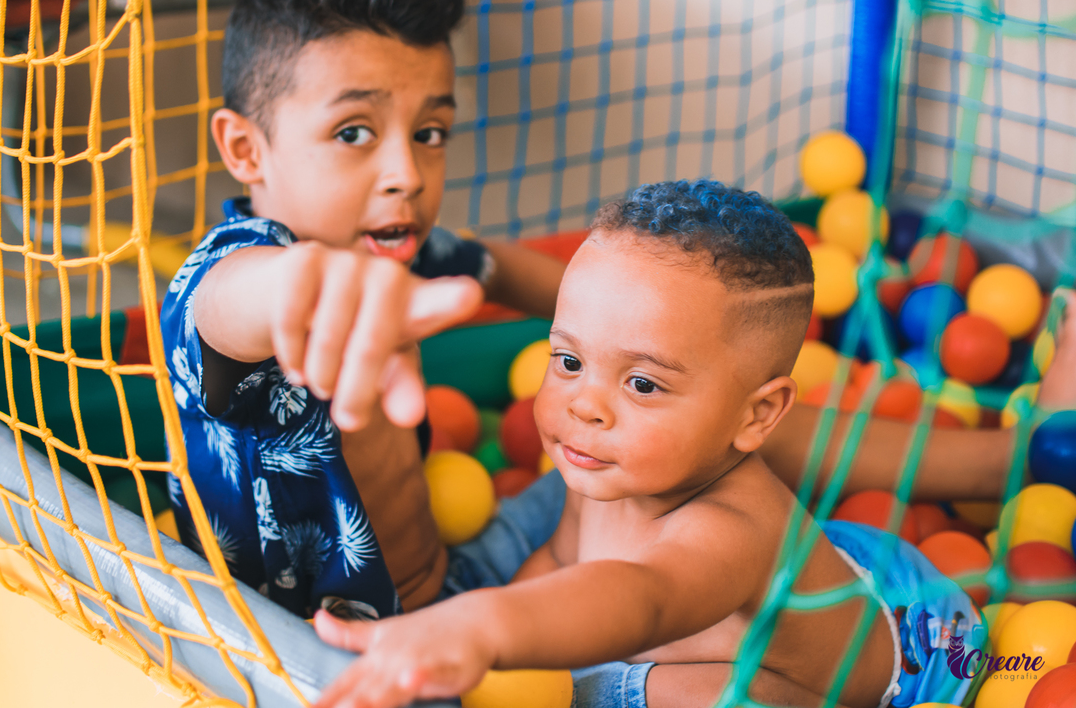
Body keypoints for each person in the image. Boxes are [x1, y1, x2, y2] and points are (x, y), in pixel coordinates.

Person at [311, 181, 988, 708]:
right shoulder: (601, 463)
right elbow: (558, 559)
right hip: (791, 588)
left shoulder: (732, 529)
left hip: (900, 654)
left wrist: (485, 628)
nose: (584, 405)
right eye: (568, 361)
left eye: (641, 383)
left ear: (757, 415)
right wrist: (498, 658)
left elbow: (645, 597)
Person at [160, 0, 564, 619]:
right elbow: (238, 300)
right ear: (245, 150)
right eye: (353, 132)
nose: (406, 172)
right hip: (331, 656)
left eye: (431, 132)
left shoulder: (401, 252)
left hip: (453, 582)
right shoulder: (233, 277)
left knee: (663, 476)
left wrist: (622, 320)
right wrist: (311, 284)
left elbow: (494, 266)